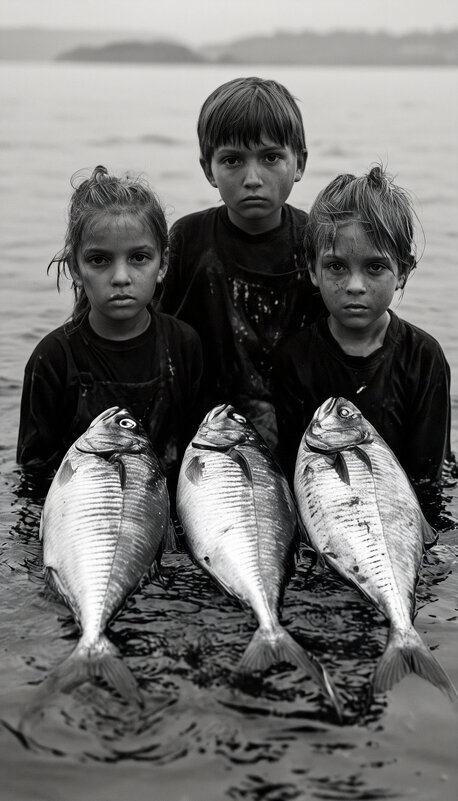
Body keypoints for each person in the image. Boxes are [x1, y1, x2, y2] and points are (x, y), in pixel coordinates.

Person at [159, 76, 325, 451]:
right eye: (232, 160)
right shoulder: (187, 240)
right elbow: (156, 341)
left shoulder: (316, 242)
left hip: (298, 438)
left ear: (299, 163)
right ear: (208, 169)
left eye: (271, 158)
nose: (253, 178)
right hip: (207, 441)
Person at [17, 165, 202, 493]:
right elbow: (34, 475)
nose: (120, 277)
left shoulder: (183, 344)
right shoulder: (54, 358)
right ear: (75, 267)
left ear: (164, 264)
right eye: (100, 260)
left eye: (139, 258)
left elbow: (195, 460)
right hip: (85, 514)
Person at [273, 165, 454, 489]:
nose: (355, 285)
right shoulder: (295, 357)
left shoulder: (423, 358)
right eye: (337, 266)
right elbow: (295, 469)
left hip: (401, 506)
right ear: (313, 269)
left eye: (374, 267)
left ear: (402, 272)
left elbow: (429, 478)